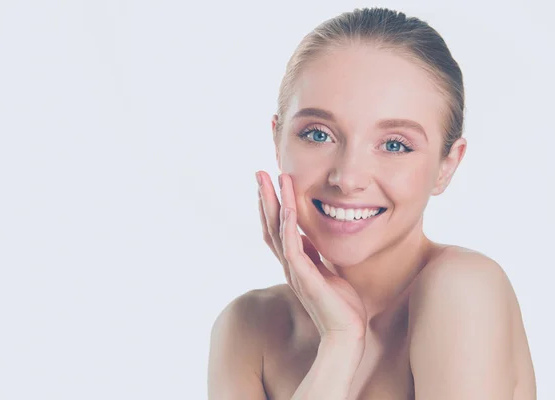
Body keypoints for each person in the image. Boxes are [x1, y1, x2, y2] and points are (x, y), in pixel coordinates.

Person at [207, 7, 536, 399]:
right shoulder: (248, 327)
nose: (347, 178)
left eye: (395, 144)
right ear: (278, 142)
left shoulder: (462, 289)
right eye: (318, 134)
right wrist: (340, 342)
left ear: (447, 166)